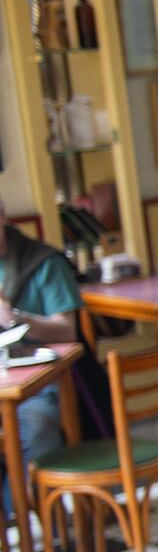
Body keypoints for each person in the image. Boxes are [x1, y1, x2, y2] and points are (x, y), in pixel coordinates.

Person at [0, 200, 85, 493]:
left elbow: (68, 331)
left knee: (38, 424)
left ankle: (30, 515)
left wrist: (17, 319)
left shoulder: (43, 262)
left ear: (3, 217)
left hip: (40, 380)